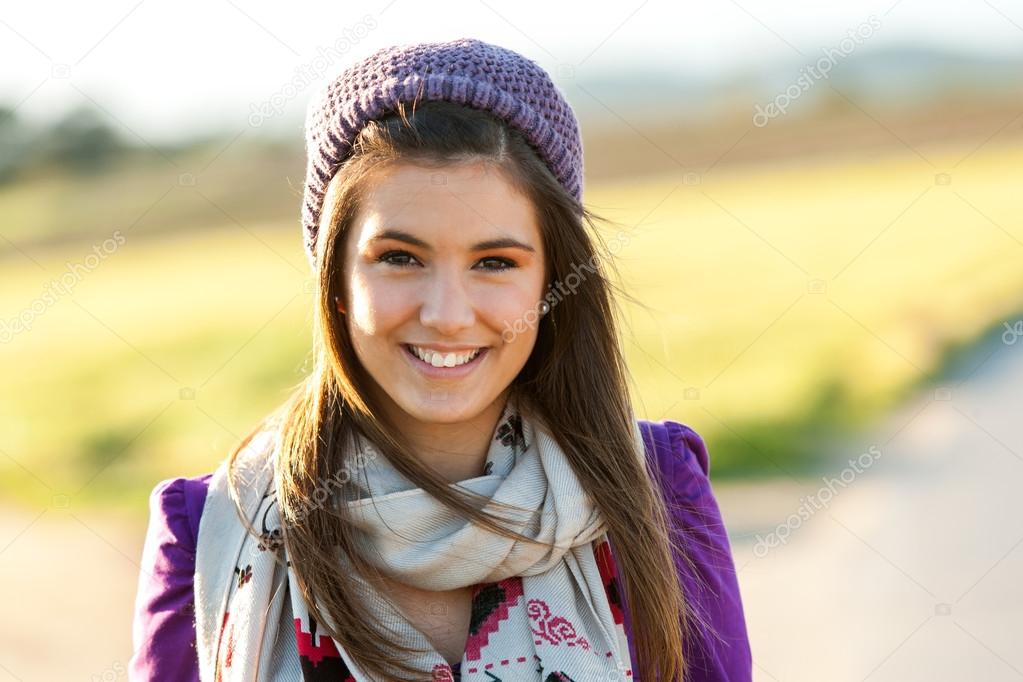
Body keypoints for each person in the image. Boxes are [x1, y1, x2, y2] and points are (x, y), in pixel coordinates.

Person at [128, 37, 752, 681]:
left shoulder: (655, 494)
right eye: (399, 257)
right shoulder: (204, 533)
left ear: (551, 281)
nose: (447, 314)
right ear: (336, 280)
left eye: (494, 263)